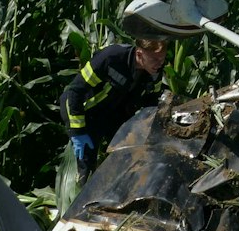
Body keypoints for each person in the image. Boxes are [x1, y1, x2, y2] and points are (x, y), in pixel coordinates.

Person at [60, 36, 166, 176]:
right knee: (85, 165)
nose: (160, 63)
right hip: (84, 111)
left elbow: (150, 100)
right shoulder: (111, 58)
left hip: (112, 112)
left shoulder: (155, 68)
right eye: (155, 59)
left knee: (128, 156)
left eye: (162, 58)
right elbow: (75, 92)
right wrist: (77, 132)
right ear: (139, 54)